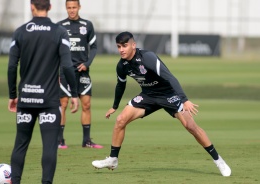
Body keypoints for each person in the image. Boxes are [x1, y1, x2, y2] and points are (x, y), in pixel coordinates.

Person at [92, 31, 231, 177]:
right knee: (120, 120)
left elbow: (170, 78)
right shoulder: (122, 65)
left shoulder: (148, 57)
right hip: (148, 95)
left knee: (191, 126)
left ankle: (219, 160)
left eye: (124, 46)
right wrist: (114, 106)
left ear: (133, 45)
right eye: (119, 46)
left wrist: (184, 99)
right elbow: (120, 85)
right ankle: (113, 159)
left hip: (168, 94)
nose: (121, 50)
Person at [7, 0, 79, 183]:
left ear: (32, 6)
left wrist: (12, 95)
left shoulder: (20, 32)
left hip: (26, 99)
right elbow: (68, 66)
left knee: (20, 144)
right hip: (49, 101)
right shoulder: (59, 32)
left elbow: (11, 67)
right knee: (49, 147)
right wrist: (74, 94)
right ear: (50, 7)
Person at [57, 0, 103, 149]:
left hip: (82, 71)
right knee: (62, 105)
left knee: (87, 104)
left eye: (74, 7)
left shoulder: (87, 25)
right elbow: (55, 50)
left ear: (79, 7)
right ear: (66, 8)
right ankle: (60, 140)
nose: (71, 10)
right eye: (69, 8)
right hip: (64, 71)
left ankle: (86, 141)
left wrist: (87, 63)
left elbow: (94, 47)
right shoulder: (59, 26)